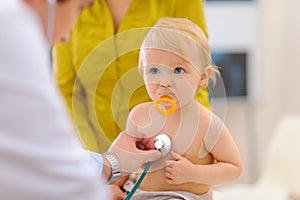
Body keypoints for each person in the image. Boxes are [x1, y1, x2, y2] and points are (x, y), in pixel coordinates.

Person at [0, 0, 161, 199]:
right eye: (79, 8)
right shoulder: (12, 28)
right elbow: (52, 173)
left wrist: (111, 164)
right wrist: (95, 186)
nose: (66, 36)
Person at [52, 0, 211, 154]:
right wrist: (97, 159)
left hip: (166, 151)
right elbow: (66, 87)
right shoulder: (70, 4)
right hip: (94, 154)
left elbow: (195, 71)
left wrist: (191, 145)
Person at [119, 17, 243, 200]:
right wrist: (114, 186)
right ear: (142, 72)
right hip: (137, 193)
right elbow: (125, 160)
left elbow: (234, 168)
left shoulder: (206, 124)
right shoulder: (139, 115)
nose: (164, 82)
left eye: (178, 70)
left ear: (202, 77)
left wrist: (193, 173)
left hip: (182, 196)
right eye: (154, 70)